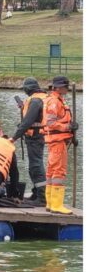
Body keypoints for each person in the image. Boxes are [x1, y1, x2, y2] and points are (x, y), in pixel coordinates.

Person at [43, 75, 78, 214]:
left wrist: (71, 133)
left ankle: (50, 203)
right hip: (57, 142)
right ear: (58, 87)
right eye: (65, 86)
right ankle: (56, 205)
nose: (67, 89)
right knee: (59, 171)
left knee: (52, 172)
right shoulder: (54, 102)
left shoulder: (57, 100)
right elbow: (50, 123)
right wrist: (68, 127)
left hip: (58, 141)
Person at [12, 77, 49, 205]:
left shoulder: (35, 100)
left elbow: (27, 122)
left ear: (28, 89)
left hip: (35, 137)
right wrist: (23, 108)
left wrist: (14, 137)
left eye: (25, 89)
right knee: (34, 166)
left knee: (36, 166)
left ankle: (42, 198)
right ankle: (36, 193)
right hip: (38, 136)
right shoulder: (42, 97)